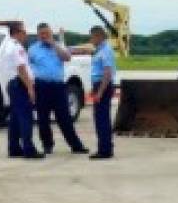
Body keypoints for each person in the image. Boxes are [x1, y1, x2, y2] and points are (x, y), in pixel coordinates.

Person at [28, 23, 87, 155]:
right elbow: (29, 68)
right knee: (43, 118)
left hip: (58, 86)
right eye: (42, 34)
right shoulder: (33, 49)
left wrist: (54, 45)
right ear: (38, 35)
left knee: (64, 117)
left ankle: (75, 145)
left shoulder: (58, 46)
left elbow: (67, 57)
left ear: (51, 33)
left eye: (47, 33)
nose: (45, 36)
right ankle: (47, 145)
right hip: (41, 86)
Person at [1, 22, 43, 159]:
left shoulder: (7, 46)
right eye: (24, 32)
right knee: (26, 117)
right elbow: (21, 68)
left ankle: (14, 147)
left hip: (12, 84)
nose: (25, 35)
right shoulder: (16, 47)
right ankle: (28, 149)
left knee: (15, 118)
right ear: (17, 32)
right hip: (20, 84)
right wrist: (30, 87)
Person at [80, 25, 117, 160]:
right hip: (99, 85)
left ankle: (105, 150)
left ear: (99, 36)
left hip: (103, 86)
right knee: (101, 118)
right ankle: (105, 147)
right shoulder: (100, 50)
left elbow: (107, 72)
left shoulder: (105, 51)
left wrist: (100, 92)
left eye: (92, 36)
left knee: (102, 119)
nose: (91, 39)